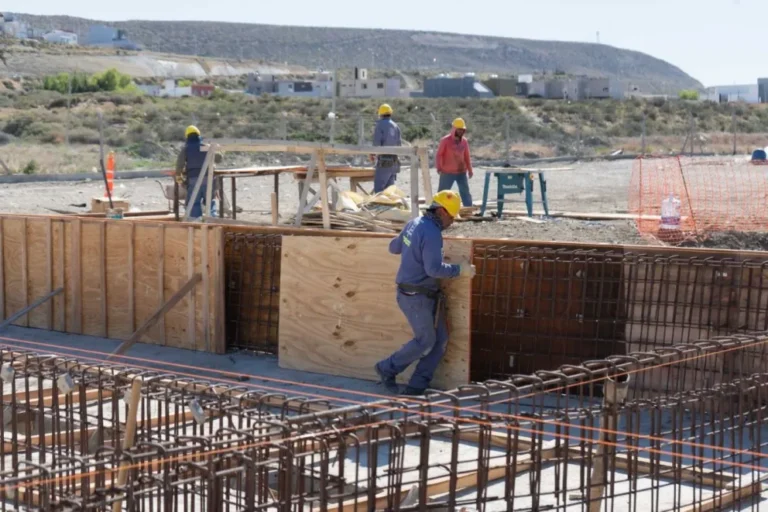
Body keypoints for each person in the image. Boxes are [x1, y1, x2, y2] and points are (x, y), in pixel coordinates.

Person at [375, 191, 476, 396]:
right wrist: (460, 270)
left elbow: (393, 247)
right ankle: (386, 368)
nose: (451, 222)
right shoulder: (431, 232)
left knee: (440, 341)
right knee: (426, 341)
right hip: (416, 296)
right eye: (450, 216)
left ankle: (416, 387)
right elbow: (433, 270)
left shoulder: (414, 224)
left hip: (420, 294)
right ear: (440, 211)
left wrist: (411, 245)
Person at [175, 125, 221, 218]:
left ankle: (197, 224)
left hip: (193, 180)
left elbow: (180, 164)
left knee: (194, 203)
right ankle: (213, 221)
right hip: (209, 180)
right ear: (198, 135)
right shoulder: (206, 147)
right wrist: (216, 149)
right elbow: (219, 158)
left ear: (187, 137)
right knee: (210, 201)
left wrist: (178, 176)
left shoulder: (186, 149)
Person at [436, 118, 474, 207]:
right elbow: (439, 155)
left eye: (462, 130)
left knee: (465, 193)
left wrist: (470, 170)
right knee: (442, 193)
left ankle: (468, 210)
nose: (461, 131)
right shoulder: (445, 140)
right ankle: (436, 210)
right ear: (454, 129)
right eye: (459, 129)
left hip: (461, 172)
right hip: (447, 172)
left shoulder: (464, 141)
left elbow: (467, 156)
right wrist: (439, 168)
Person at [371, 103, 402, 193]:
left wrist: (372, 154)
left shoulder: (379, 125)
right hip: (394, 161)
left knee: (379, 189)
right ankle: (390, 207)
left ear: (380, 114)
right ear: (390, 113)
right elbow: (399, 144)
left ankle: (379, 206)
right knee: (390, 190)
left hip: (383, 161)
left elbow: (377, 143)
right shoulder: (396, 126)